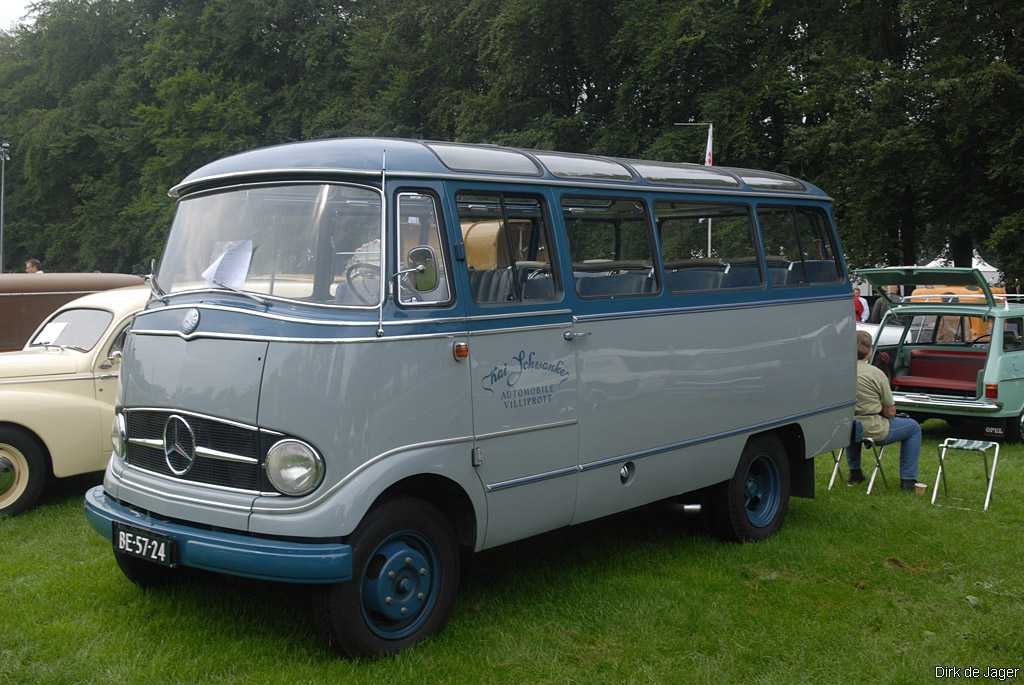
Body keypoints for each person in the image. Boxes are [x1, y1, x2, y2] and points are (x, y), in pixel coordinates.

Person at [847, 330, 921, 489]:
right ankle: (908, 479)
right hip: (873, 428)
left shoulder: (841, 371)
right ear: (869, 350)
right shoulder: (876, 374)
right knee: (914, 427)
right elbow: (890, 412)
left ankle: (854, 472)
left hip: (845, 427)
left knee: (853, 426)